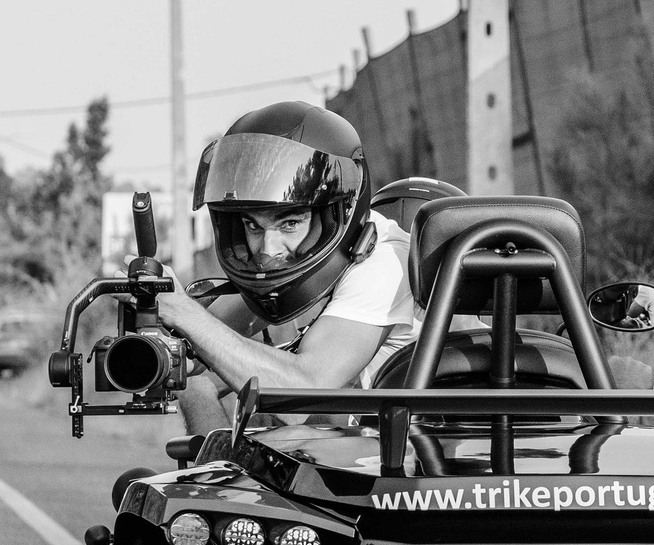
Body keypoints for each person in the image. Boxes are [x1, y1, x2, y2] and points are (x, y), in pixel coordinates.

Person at [155, 102, 450, 436]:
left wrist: (189, 318)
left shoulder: (384, 266)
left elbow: (302, 391)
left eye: (290, 223)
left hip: (408, 460)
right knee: (199, 385)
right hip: (362, 452)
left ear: (332, 214)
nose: (268, 250)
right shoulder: (313, 264)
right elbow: (212, 335)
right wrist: (164, 332)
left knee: (279, 417)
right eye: (253, 227)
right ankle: (217, 477)